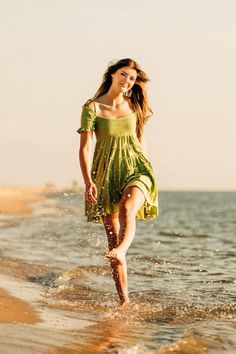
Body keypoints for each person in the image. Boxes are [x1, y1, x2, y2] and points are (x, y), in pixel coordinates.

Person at [77, 58, 158, 306]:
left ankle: (123, 249)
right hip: (105, 173)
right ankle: (124, 301)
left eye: (132, 78)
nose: (127, 80)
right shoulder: (92, 108)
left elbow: (140, 139)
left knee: (127, 208)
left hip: (136, 167)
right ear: (112, 74)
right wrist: (88, 181)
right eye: (123, 74)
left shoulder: (135, 104)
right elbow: (85, 148)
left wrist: (148, 168)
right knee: (111, 242)